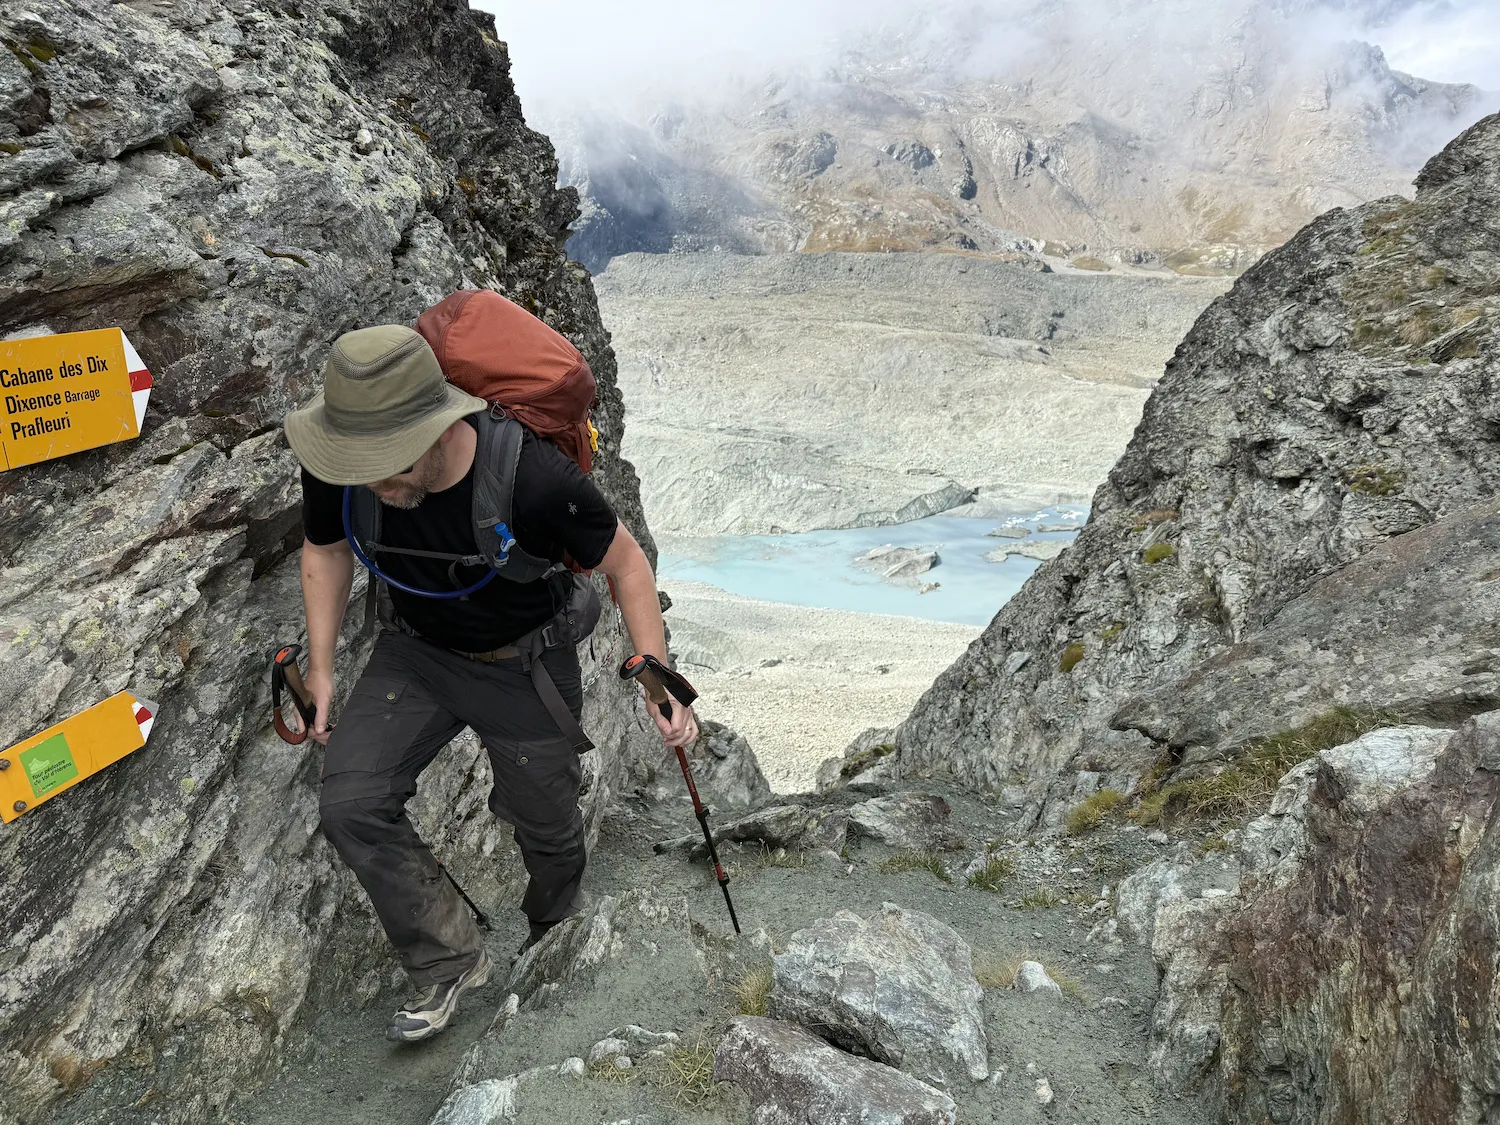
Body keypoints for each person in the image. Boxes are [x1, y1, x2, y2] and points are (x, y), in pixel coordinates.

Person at [282, 324, 696, 1042]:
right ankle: (448, 957)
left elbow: (627, 566)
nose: (371, 481)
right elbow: (324, 549)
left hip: (524, 666)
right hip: (414, 652)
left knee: (548, 827)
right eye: (363, 467)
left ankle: (551, 931)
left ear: (438, 427)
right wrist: (320, 667)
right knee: (351, 801)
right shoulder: (342, 460)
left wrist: (655, 675)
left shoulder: (534, 478)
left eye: (389, 466)